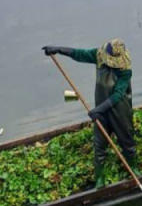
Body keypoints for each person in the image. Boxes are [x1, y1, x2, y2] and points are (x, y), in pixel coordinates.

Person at [43, 39, 135, 188]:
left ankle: (133, 168)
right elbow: (79, 54)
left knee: (127, 139)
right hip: (101, 107)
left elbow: (118, 95)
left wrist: (98, 110)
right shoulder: (98, 55)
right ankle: (100, 177)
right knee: (99, 144)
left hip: (119, 110)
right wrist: (58, 49)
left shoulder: (125, 70)